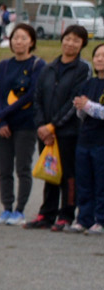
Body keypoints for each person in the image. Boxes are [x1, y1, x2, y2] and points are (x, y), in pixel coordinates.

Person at [28, 25, 89, 231]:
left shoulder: (82, 70)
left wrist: (53, 126)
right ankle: (47, 213)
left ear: (82, 45)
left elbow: (75, 101)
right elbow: (37, 98)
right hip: (45, 133)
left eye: (76, 41)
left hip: (67, 132)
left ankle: (67, 214)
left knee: (68, 175)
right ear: (62, 40)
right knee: (49, 172)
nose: (70, 43)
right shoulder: (49, 68)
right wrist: (42, 126)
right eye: (68, 39)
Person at [0, 23, 44, 225]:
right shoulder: (4, 65)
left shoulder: (38, 65)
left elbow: (30, 96)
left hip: (25, 125)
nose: (18, 41)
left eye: (23, 38)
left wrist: (2, 114)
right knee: (4, 170)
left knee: (22, 168)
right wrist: (1, 120)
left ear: (31, 42)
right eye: (15, 38)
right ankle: (6, 208)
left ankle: (19, 210)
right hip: (3, 125)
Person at [67, 41, 104, 234]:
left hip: (101, 141)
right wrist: (81, 107)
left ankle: (101, 220)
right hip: (85, 139)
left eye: (103, 56)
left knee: (101, 183)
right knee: (84, 182)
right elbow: (81, 114)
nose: (100, 59)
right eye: (97, 55)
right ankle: (84, 218)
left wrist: (88, 106)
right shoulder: (88, 84)